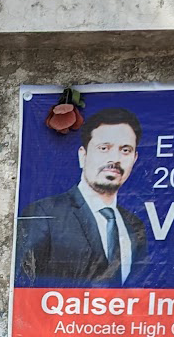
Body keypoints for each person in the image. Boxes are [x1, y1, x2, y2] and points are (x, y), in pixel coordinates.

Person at [16, 107, 149, 285]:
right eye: (104, 148)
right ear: (83, 155)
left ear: (134, 158)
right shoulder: (44, 214)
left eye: (125, 150)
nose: (114, 159)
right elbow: (23, 283)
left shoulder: (134, 226)